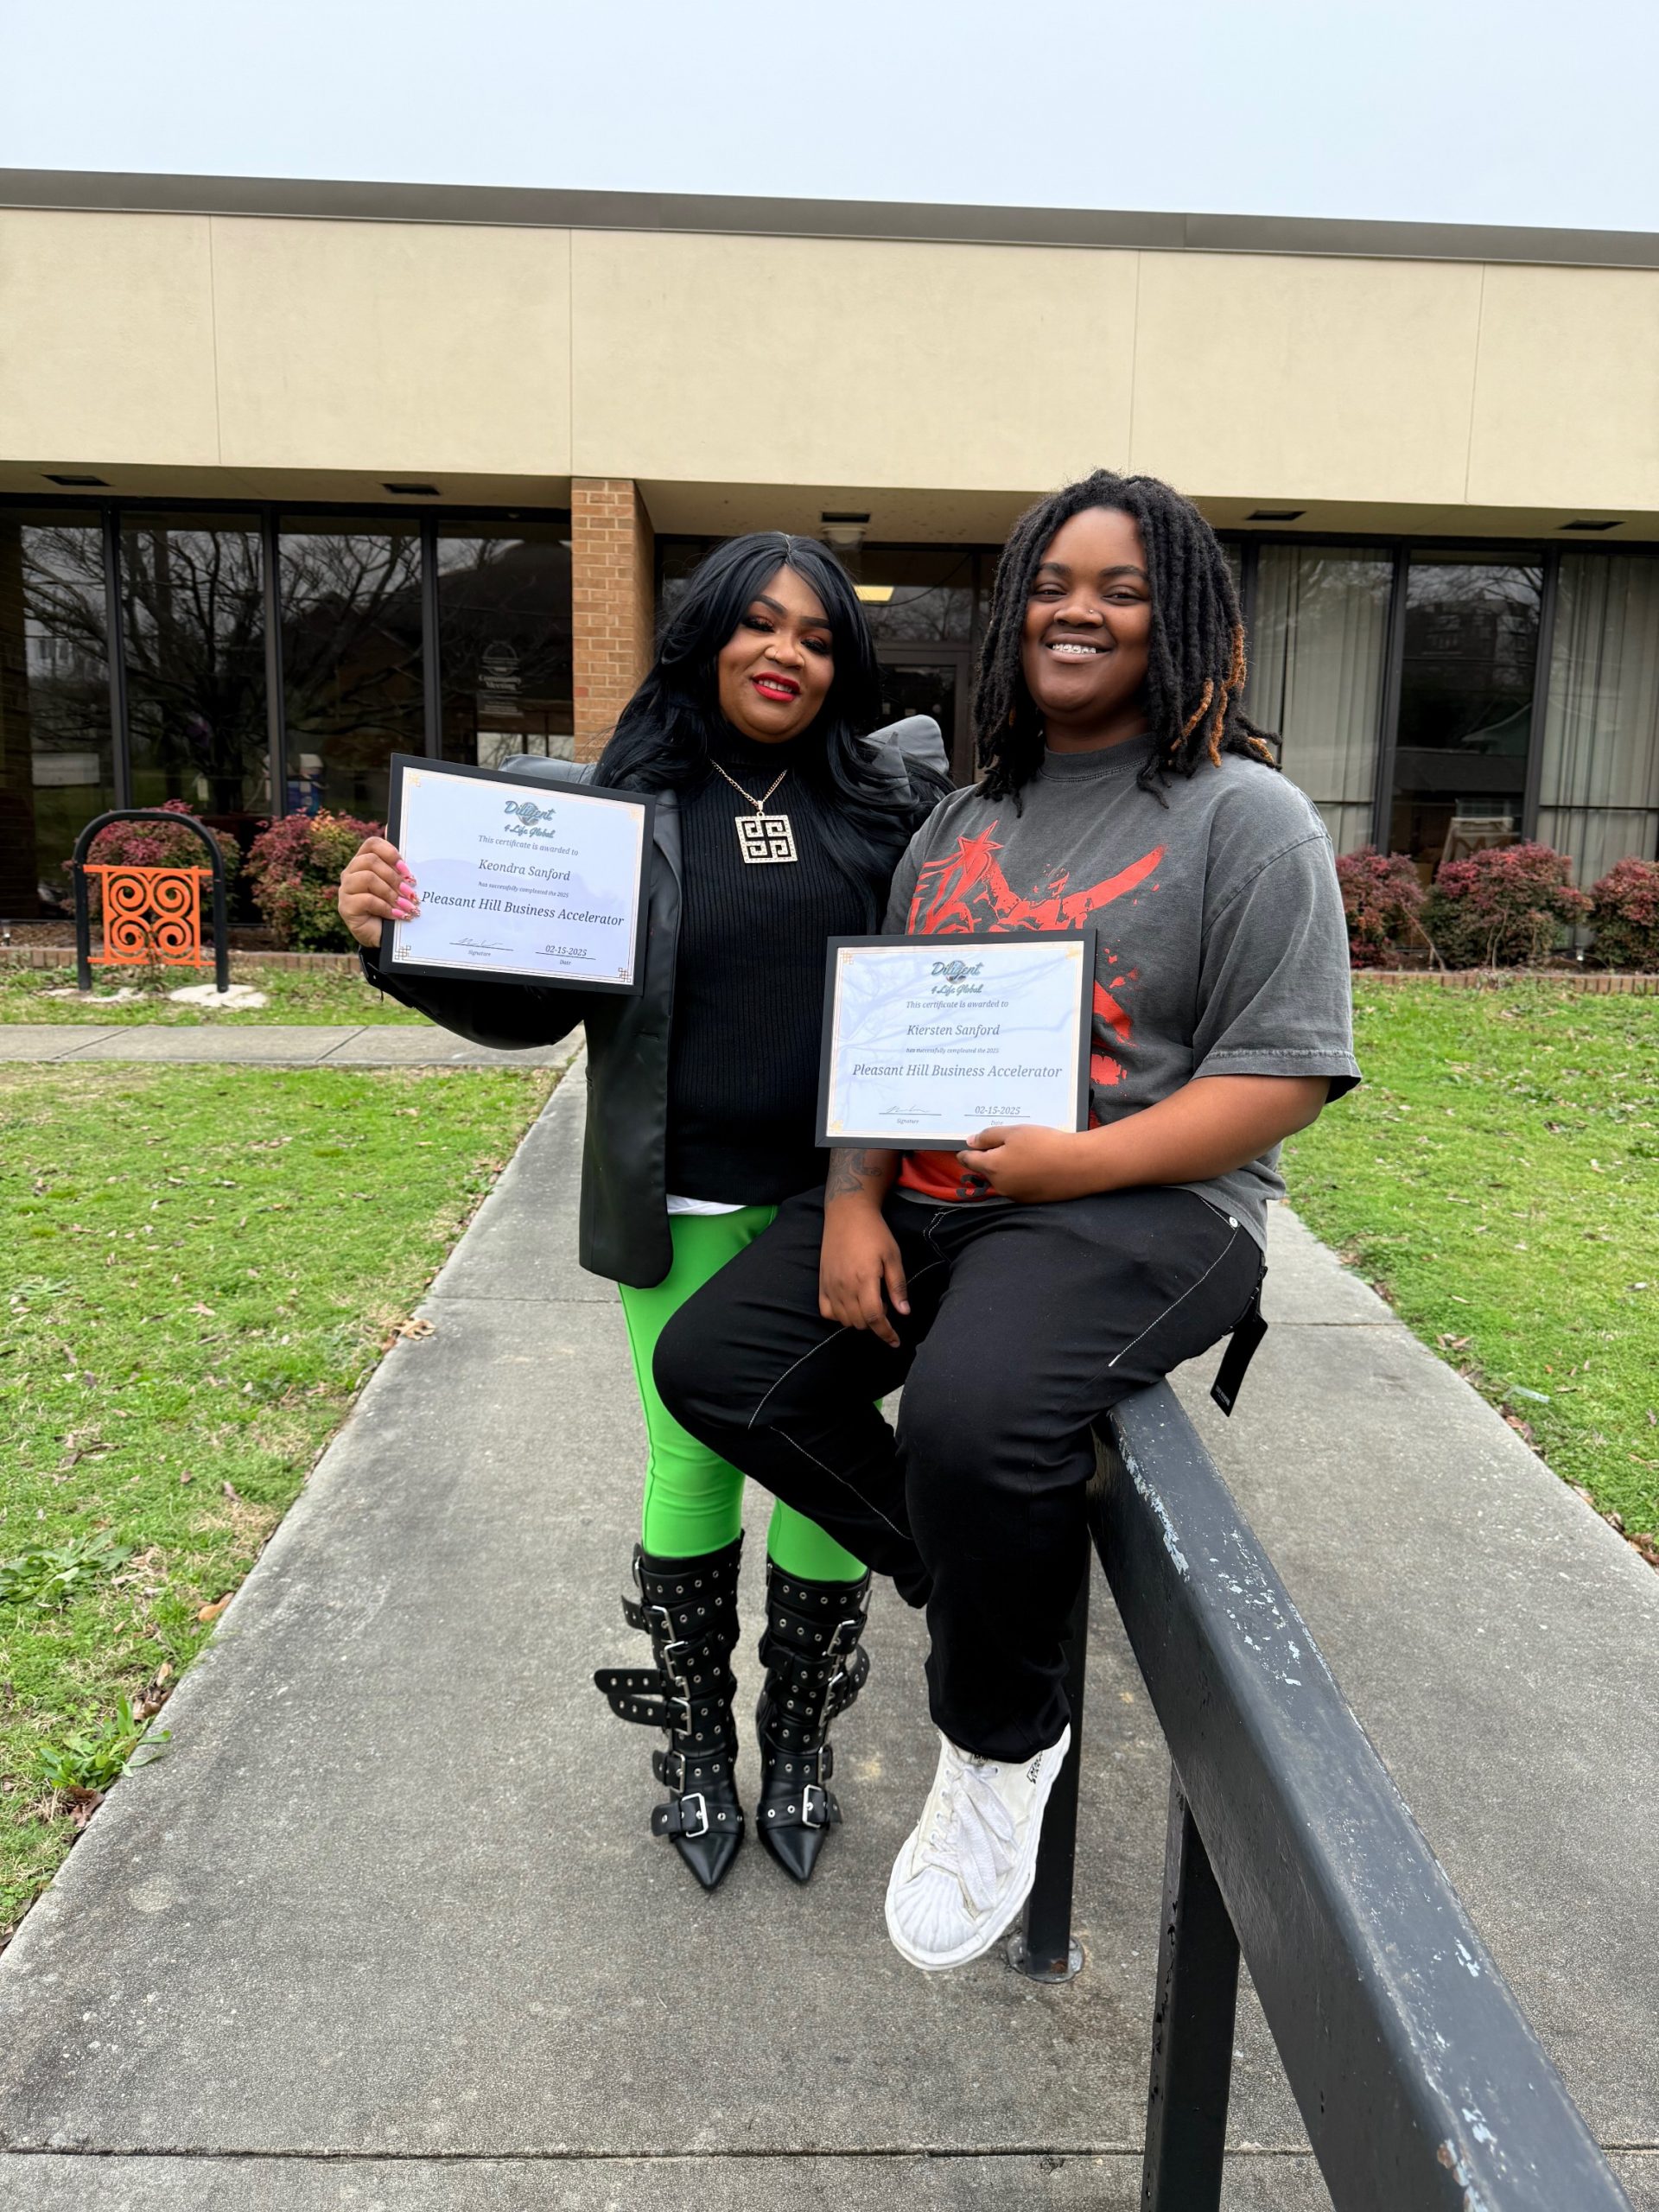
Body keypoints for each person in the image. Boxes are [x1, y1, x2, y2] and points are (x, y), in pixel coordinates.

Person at [653, 472, 1360, 1969]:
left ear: (1182, 621)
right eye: (1050, 585)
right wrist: (855, 1198)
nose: (1076, 613)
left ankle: (999, 1742)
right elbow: (886, 1034)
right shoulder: (960, 821)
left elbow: (1285, 1075)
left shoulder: (1250, 818)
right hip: (936, 1191)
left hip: (1148, 1206)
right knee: (717, 1368)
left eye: (1120, 589)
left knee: (971, 1423)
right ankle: (977, 1573)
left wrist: (1076, 1166)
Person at [336, 533, 949, 1891]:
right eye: (760, 624)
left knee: (821, 1463)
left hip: (846, 1207)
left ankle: (799, 1737)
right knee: (693, 1457)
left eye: (819, 637)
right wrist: (394, 939)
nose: (786, 653)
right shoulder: (625, 810)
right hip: (681, 1198)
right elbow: (531, 1004)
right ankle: (694, 1746)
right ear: (707, 637)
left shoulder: (884, 808)